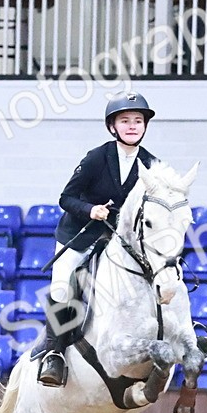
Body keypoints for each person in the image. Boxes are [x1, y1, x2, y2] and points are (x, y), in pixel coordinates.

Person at [37, 91, 160, 387]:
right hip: (80, 234)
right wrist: (90, 209)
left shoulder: (152, 165)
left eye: (138, 121)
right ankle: (54, 354)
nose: (132, 126)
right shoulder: (96, 158)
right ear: (112, 127)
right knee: (63, 283)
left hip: (119, 241)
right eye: (125, 120)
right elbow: (66, 198)